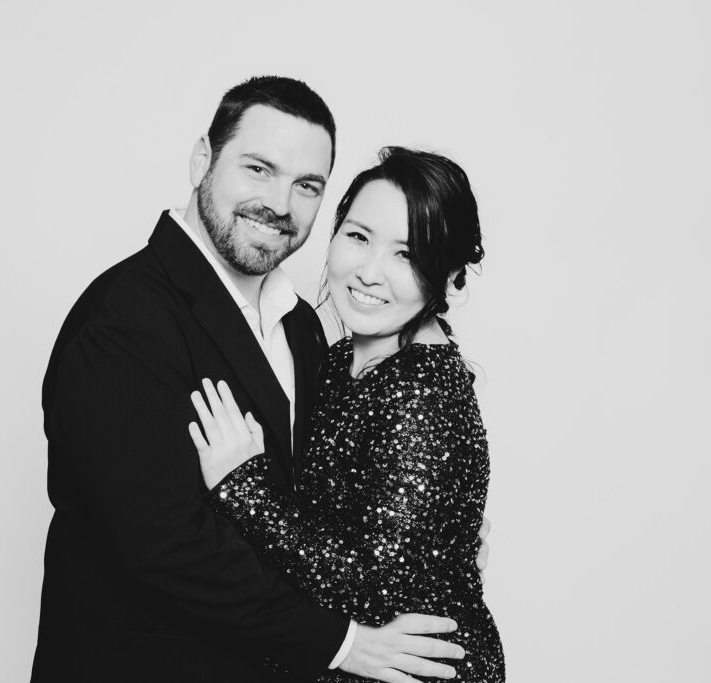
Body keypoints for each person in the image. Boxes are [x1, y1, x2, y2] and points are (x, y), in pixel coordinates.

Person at [31, 77, 466, 682]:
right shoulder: (125, 320)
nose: (281, 204)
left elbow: (324, 508)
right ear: (201, 159)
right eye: (259, 169)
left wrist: (436, 549)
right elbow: (164, 546)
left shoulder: (303, 331)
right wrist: (340, 643)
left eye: (306, 186)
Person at [190, 147, 505, 682]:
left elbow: (374, 586)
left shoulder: (421, 394)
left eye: (408, 255)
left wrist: (244, 490)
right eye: (358, 237)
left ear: (450, 277)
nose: (369, 272)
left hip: (413, 670)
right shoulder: (337, 356)